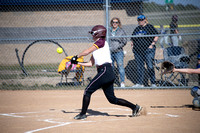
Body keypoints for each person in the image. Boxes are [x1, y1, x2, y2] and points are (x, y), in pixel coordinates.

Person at [71, 25, 142, 120]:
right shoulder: (97, 48)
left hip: (105, 71)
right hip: (105, 72)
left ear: (98, 33)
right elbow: (90, 63)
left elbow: (87, 51)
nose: (92, 35)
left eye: (93, 33)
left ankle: (83, 114)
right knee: (112, 99)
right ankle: (135, 107)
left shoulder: (101, 42)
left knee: (87, 91)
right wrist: (77, 62)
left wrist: (77, 56)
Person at [130, 15, 159, 87]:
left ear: (145, 20)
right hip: (138, 51)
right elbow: (132, 38)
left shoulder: (150, 27)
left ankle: (153, 82)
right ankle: (140, 83)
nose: (140, 21)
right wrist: (132, 44)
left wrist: (152, 44)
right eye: (139, 20)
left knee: (150, 66)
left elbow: (156, 36)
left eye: (142, 20)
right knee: (140, 67)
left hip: (148, 50)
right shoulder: (137, 28)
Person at [109, 17, 127, 87]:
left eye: (116, 22)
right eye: (113, 22)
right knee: (111, 68)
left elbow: (125, 41)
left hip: (118, 52)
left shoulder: (121, 31)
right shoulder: (109, 30)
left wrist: (118, 46)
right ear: (111, 23)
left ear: (118, 23)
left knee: (120, 67)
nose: (115, 23)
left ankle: (122, 82)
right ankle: (111, 82)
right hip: (110, 52)